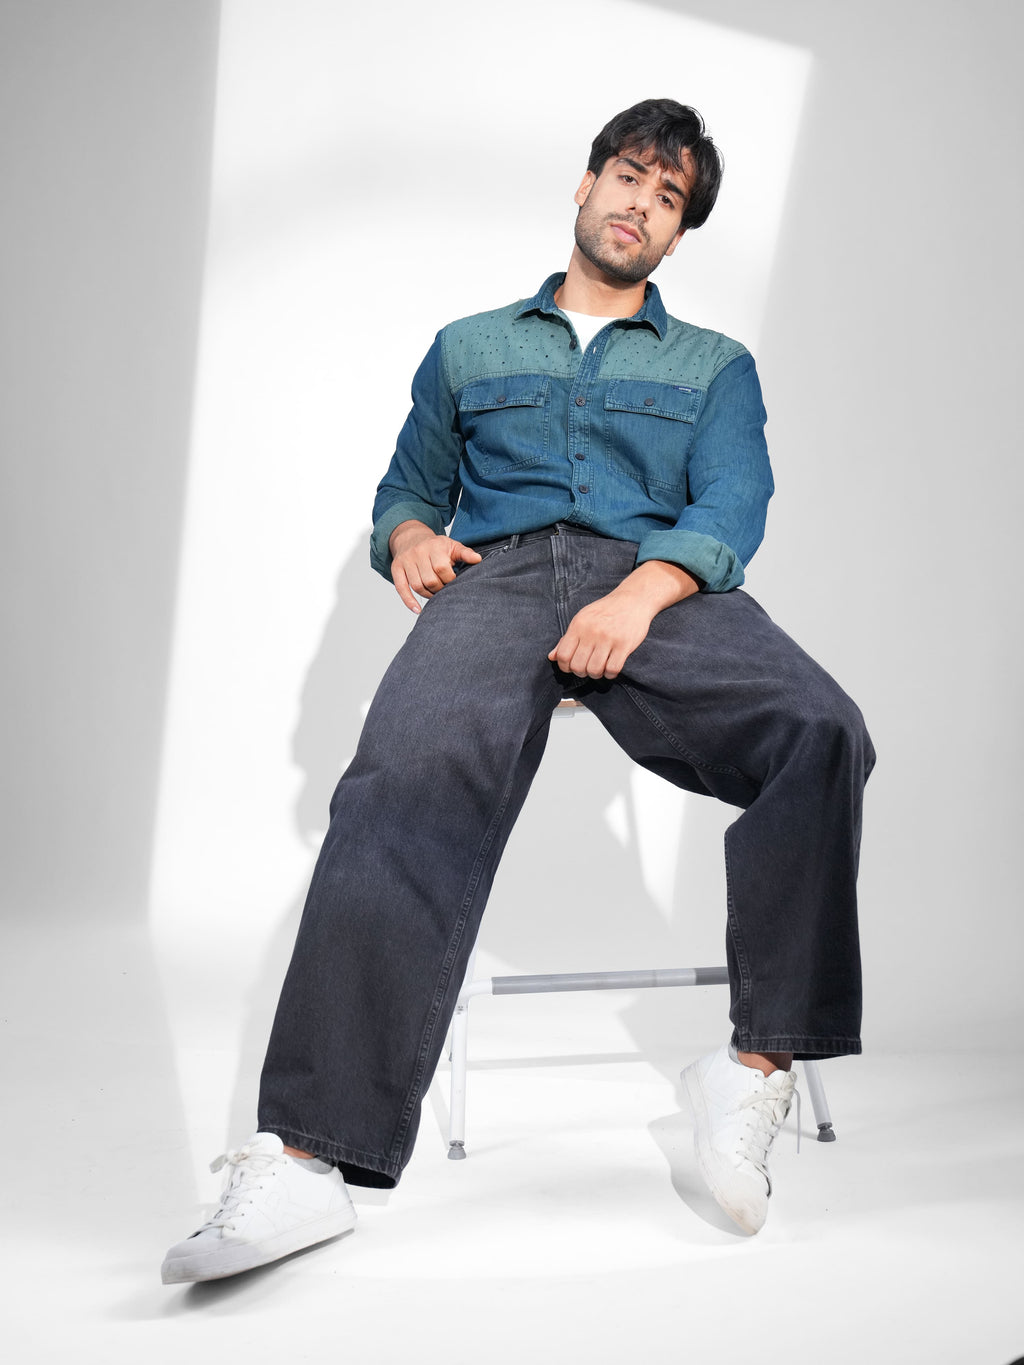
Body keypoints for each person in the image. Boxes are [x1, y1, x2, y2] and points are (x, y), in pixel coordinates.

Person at [161, 98, 874, 1284]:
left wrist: (635, 600)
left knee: (819, 730)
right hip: (492, 585)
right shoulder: (468, 346)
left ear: (679, 233)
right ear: (587, 182)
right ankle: (303, 1158)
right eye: (631, 176)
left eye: (669, 197)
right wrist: (404, 543)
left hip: (655, 587)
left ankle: (751, 1075)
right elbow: (406, 488)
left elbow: (729, 509)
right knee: (397, 782)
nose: (642, 203)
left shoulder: (714, 367)